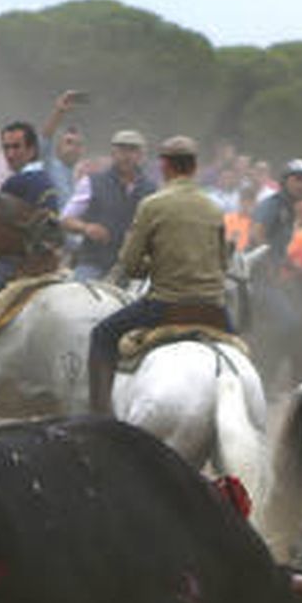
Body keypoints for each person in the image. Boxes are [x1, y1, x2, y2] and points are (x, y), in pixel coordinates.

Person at [87, 135, 226, 415]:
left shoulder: (153, 204)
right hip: (213, 308)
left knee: (101, 335)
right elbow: (222, 262)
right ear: (195, 167)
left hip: (165, 306)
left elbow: (130, 264)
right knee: (240, 351)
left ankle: (99, 415)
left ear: (164, 166)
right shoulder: (214, 208)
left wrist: (152, 265)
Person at [0, 121, 60, 296]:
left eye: (16, 147)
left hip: (12, 265)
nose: (10, 154)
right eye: (6, 148)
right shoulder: (44, 177)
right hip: (46, 263)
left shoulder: (16, 182)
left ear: (31, 150)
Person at [61, 129, 155, 283]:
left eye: (132, 150)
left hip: (134, 269)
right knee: (76, 292)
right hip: (94, 263)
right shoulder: (91, 182)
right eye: (122, 150)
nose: (127, 156)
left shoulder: (151, 190)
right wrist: (86, 228)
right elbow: (65, 219)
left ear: (141, 155)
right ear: (113, 153)